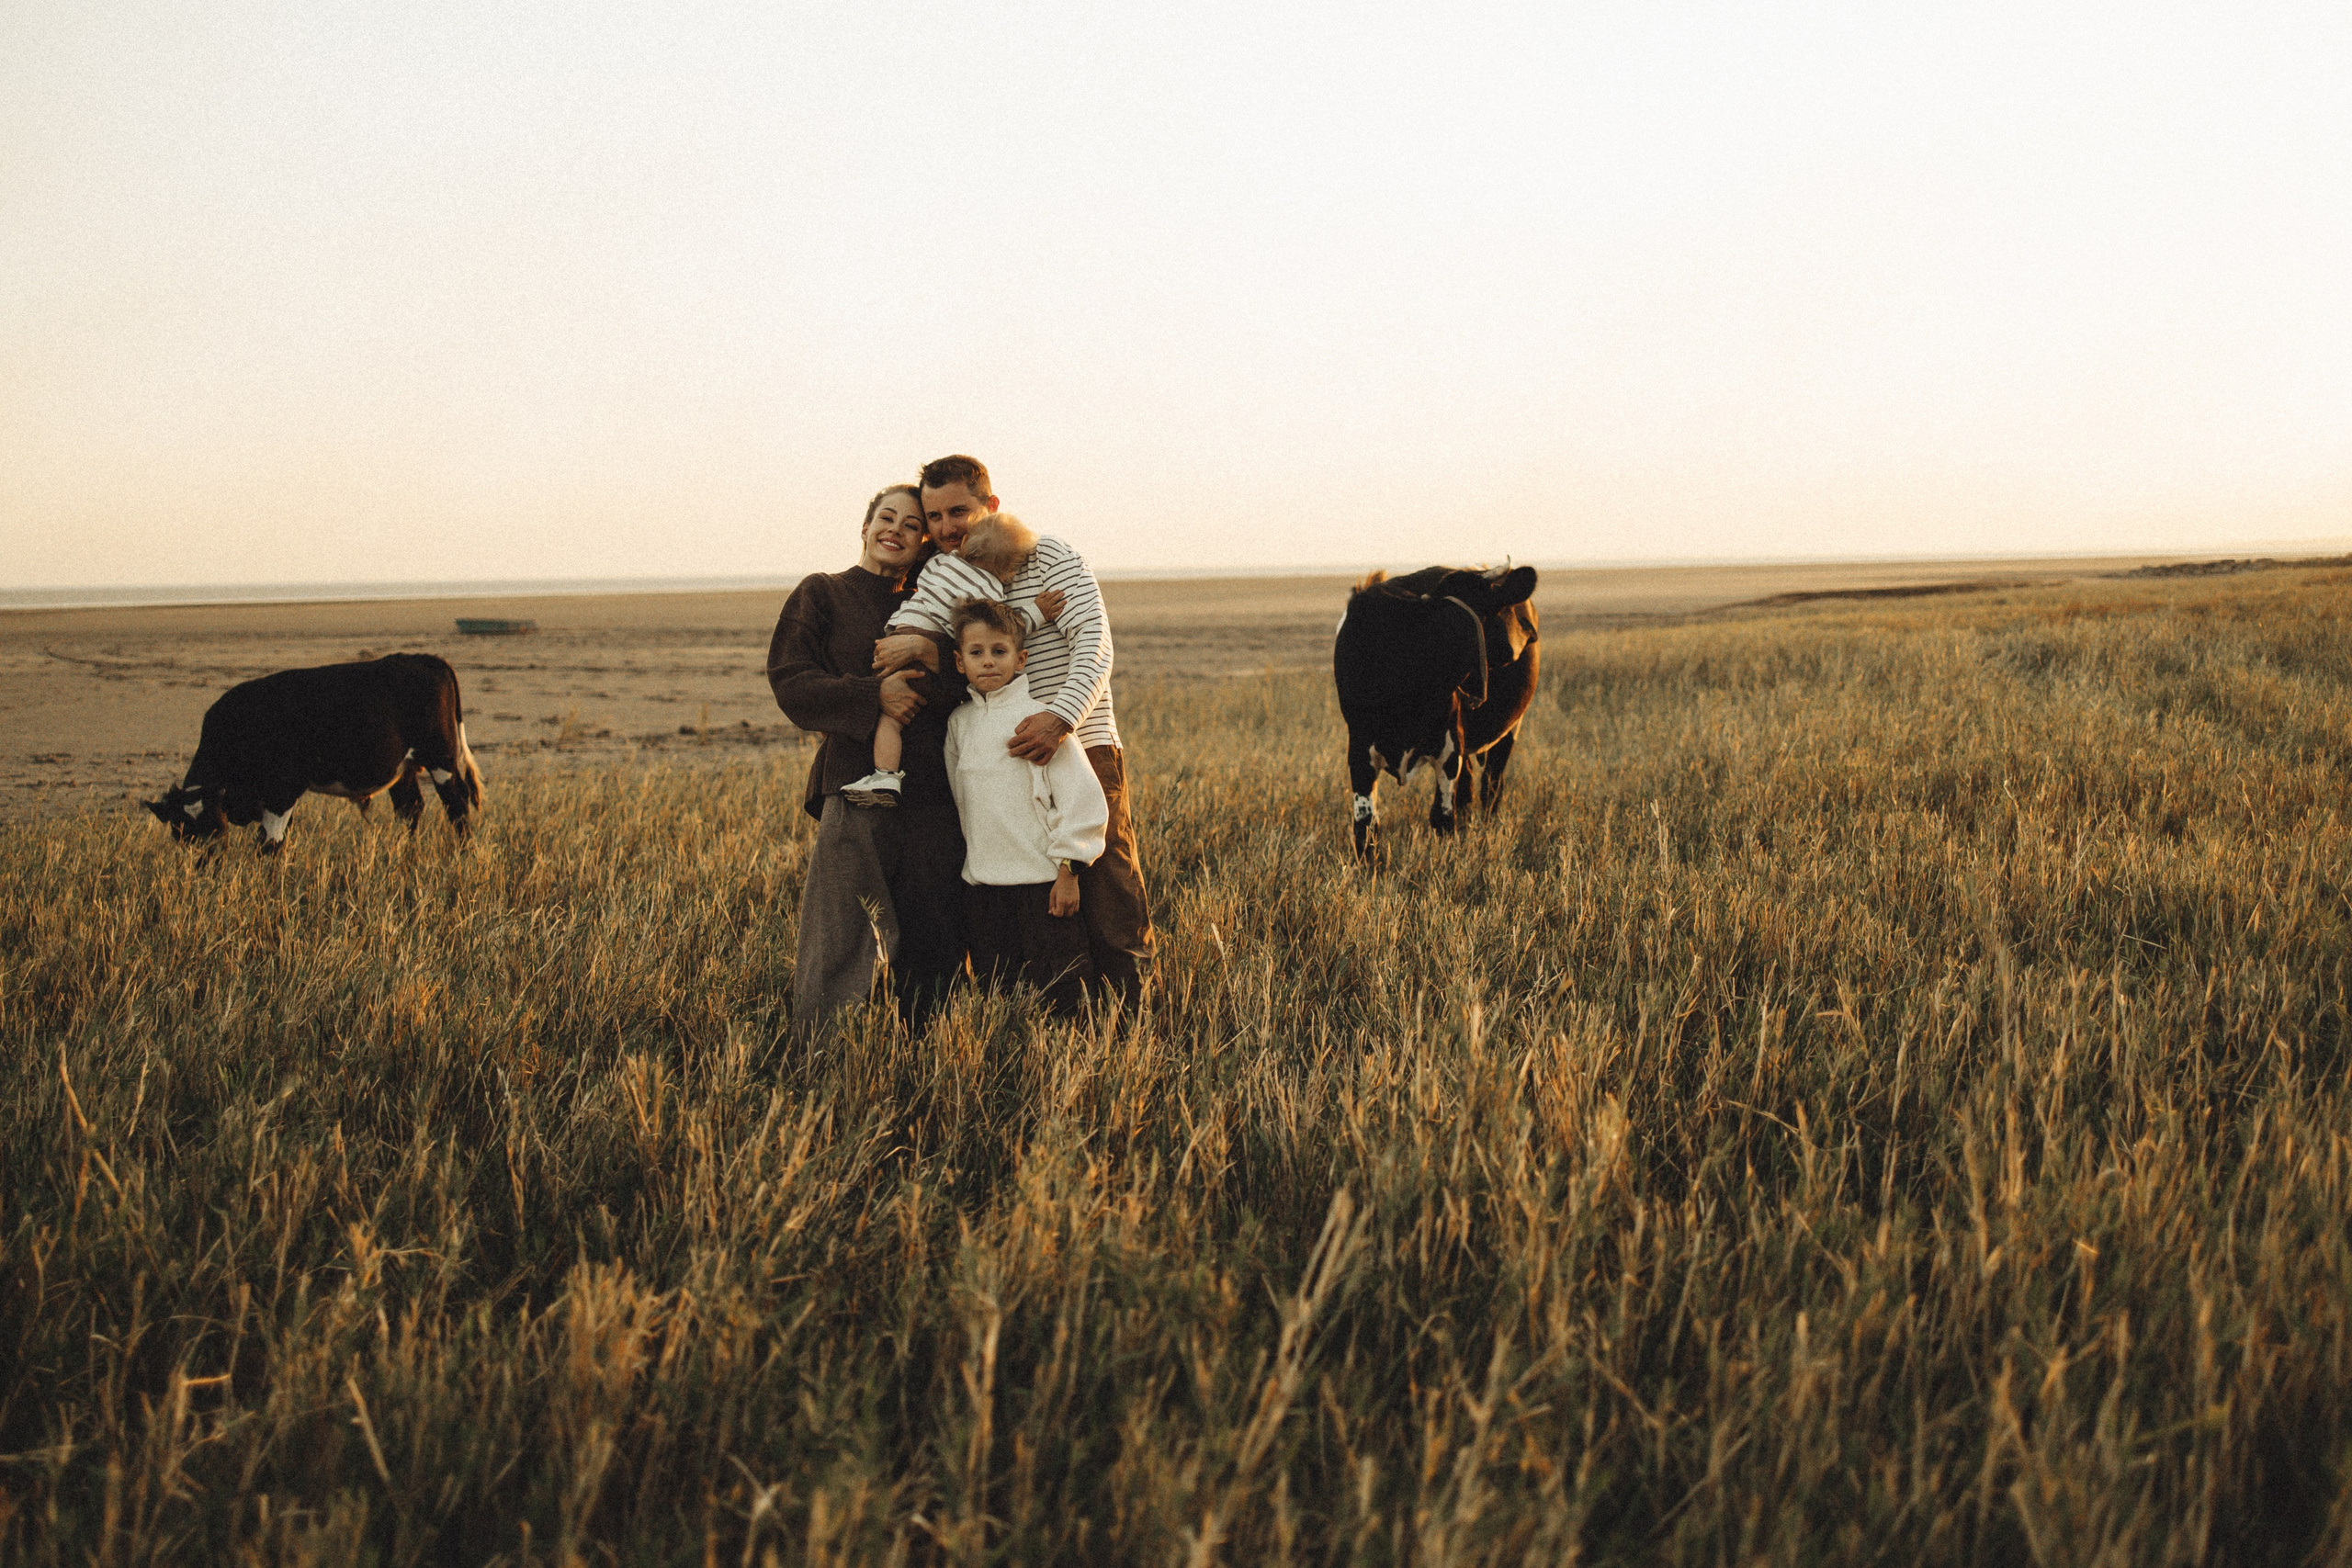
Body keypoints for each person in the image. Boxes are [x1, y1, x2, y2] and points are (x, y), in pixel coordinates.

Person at [872, 455, 1157, 999]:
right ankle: (1045, 1029)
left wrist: (1059, 721)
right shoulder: (950, 573)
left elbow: (1095, 648)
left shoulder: (1050, 557)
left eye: (959, 510)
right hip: (1000, 760)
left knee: (1108, 891)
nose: (947, 527)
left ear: (991, 506)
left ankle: (1136, 1029)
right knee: (1026, 908)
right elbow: (965, 649)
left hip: (1080, 744)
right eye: (933, 517)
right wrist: (926, 647)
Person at [765, 485, 967, 1028]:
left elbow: (975, 679)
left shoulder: (937, 605)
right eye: (886, 518)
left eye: (910, 525)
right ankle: (821, 1056)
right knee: (841, 930)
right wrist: (871, 695)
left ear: (924, 539)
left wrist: (932, 657)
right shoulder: (823, 593)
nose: (895, 531)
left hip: (935, 790)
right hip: (855, 784)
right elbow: (791, 681)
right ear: (864, 525)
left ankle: (923, 1051)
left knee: (935, 930)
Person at [942, 599, 1108, 1014]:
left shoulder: (1039, 720)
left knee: (1064, 992)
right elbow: (960, 802)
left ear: (1021, 659)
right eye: (976, 653)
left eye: (999, 651)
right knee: (999, 994)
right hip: (983, 887)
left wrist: (1069, 871)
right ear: (959, 663)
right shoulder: (958, 724)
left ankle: (1073, 1067)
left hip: (1042, 886)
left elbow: (1081, 799)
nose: (988, 662)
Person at [841, 511, 1062, 807]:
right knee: (893, 716)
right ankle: (886, 774)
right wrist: (1037, 612)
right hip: (922, 648)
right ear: (1009, 570)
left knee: (891, 715)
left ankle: (885, 774)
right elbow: (1000, 629)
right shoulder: (991, 591)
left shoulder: (940, 562)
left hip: (902, 632)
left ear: (966, 542)